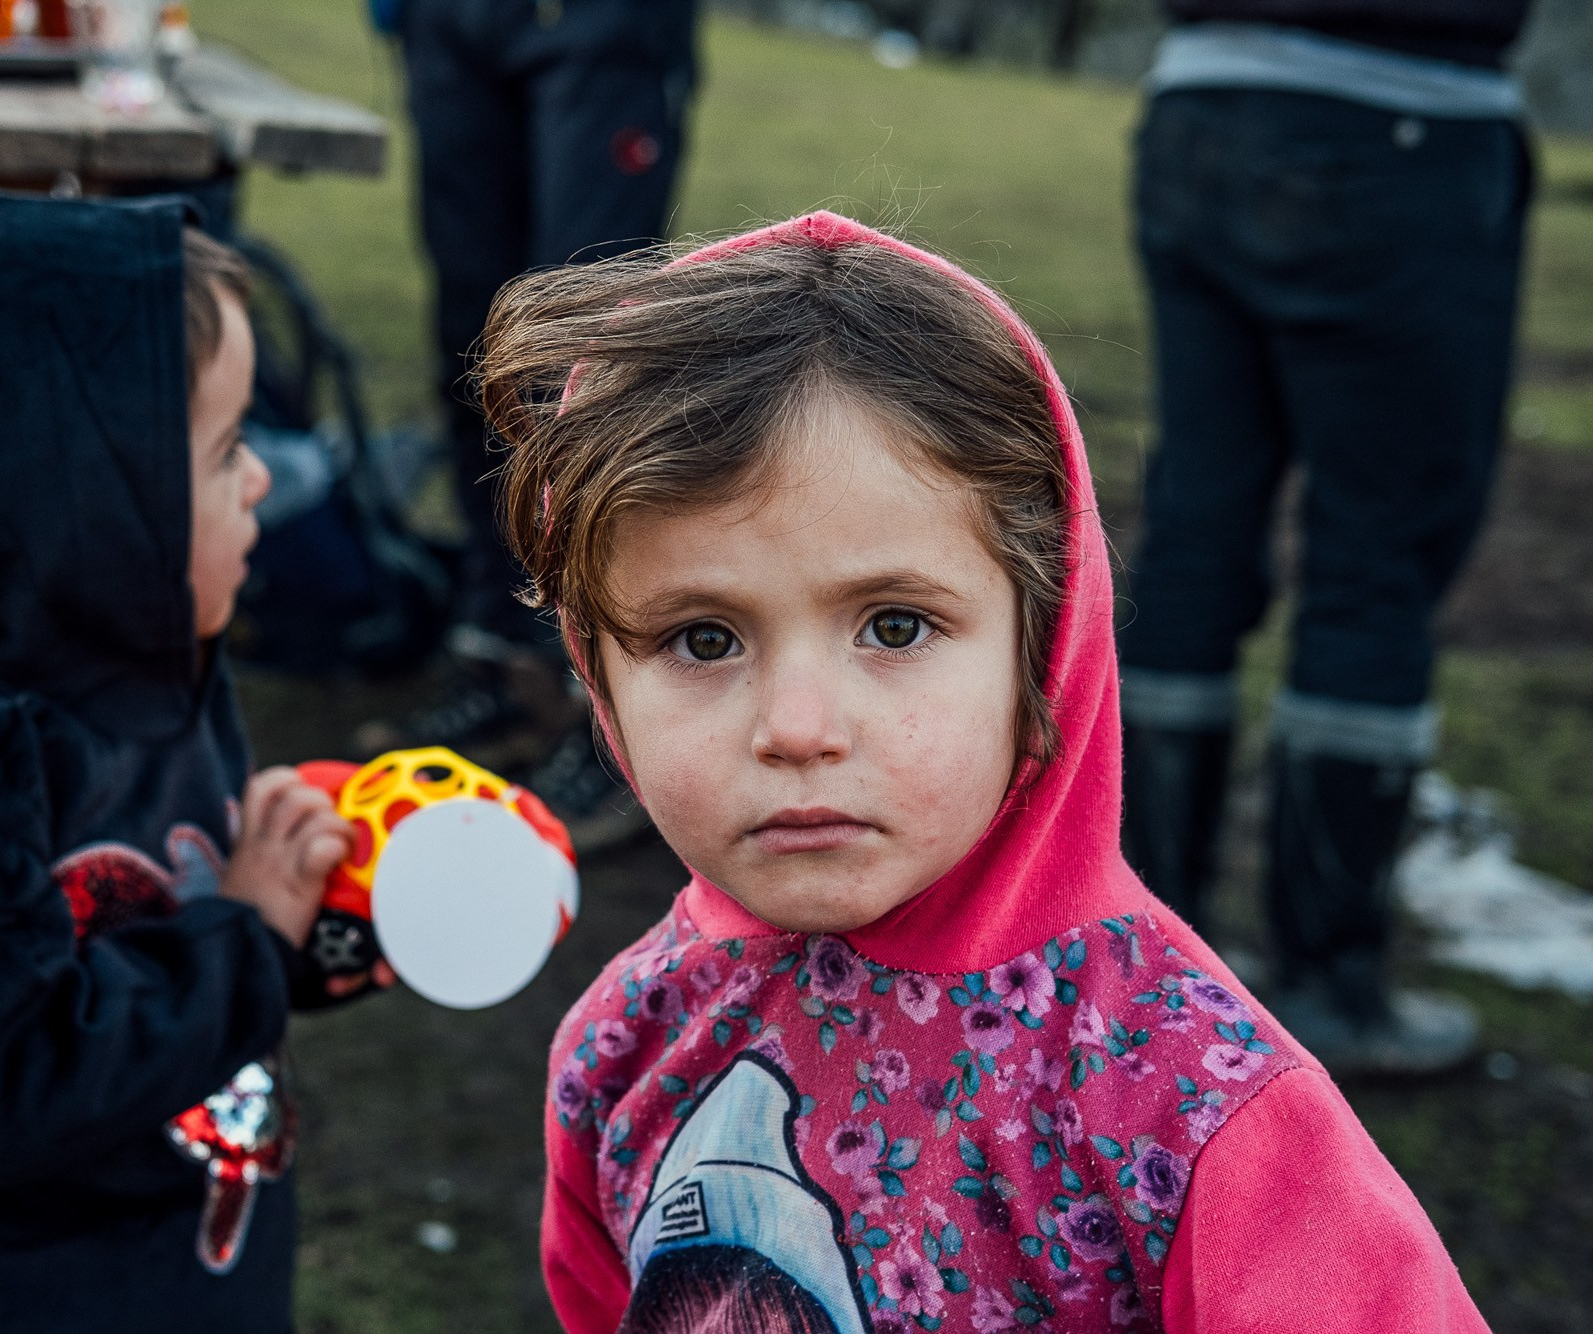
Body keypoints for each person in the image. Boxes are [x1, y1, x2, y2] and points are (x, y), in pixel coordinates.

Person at [478, 213, 1488, 1332]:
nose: (798, 726)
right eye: (703, 639)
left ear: (1042, 640)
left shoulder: (1195, 1105)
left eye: (894, 625)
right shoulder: (624, 1042)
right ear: (596, 671)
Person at [0, 186, 390, 1334]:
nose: (260, 480)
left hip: (186, 1266)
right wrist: (245, 938)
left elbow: (174, 926)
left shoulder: (156, 666)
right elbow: (16, 1084)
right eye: (222, 448)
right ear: (85, 509)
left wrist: (318, 923)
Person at [1118, 1, 1535, 1075]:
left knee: (1194, 530)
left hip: (1195, 104)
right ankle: (1325, 976)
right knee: (1373, 557)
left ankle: (1129, 948)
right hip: (1395, 119)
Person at [355, 0, 700, 848]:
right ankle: (507, 662)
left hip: (595, 25)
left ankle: (618, 717)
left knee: (585, 357)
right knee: (474, 343)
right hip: (450, 20)